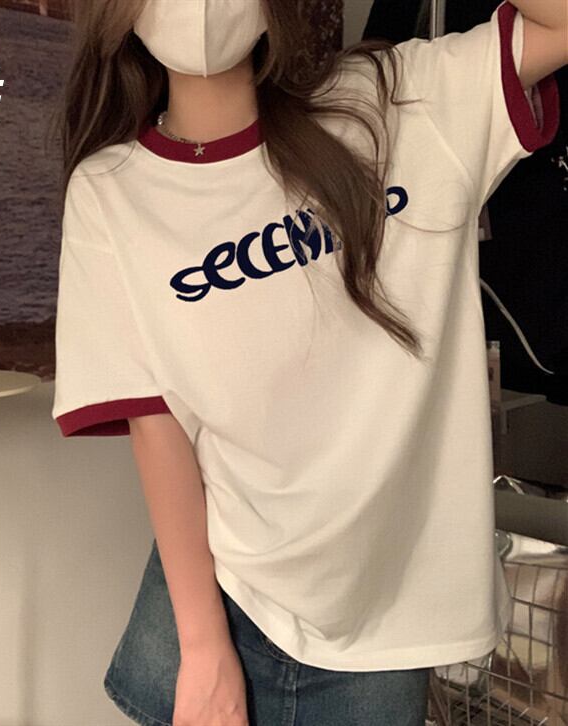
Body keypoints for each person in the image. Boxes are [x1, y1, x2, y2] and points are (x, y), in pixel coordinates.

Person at [51, 0, 564, 724]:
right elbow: (156, 423)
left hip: (384, 628)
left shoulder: (397, 102)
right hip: (217, 604)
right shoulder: (110, 192)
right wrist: (202, 646)